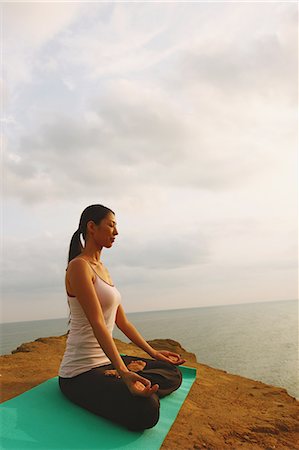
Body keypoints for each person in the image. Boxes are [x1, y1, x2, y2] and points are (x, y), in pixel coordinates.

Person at [58, 204, 186, 431]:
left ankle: (119, 378)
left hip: (107, 362)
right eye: (111, 225)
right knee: (147, 410)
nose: (116, 232)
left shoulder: (103, 269)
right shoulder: (79, 267)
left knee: (172, 373)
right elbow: (98, 322)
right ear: (91, 227)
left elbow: (122, 321)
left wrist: (154, 353)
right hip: (80, 372)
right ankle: (121, 379)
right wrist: (124, 370)